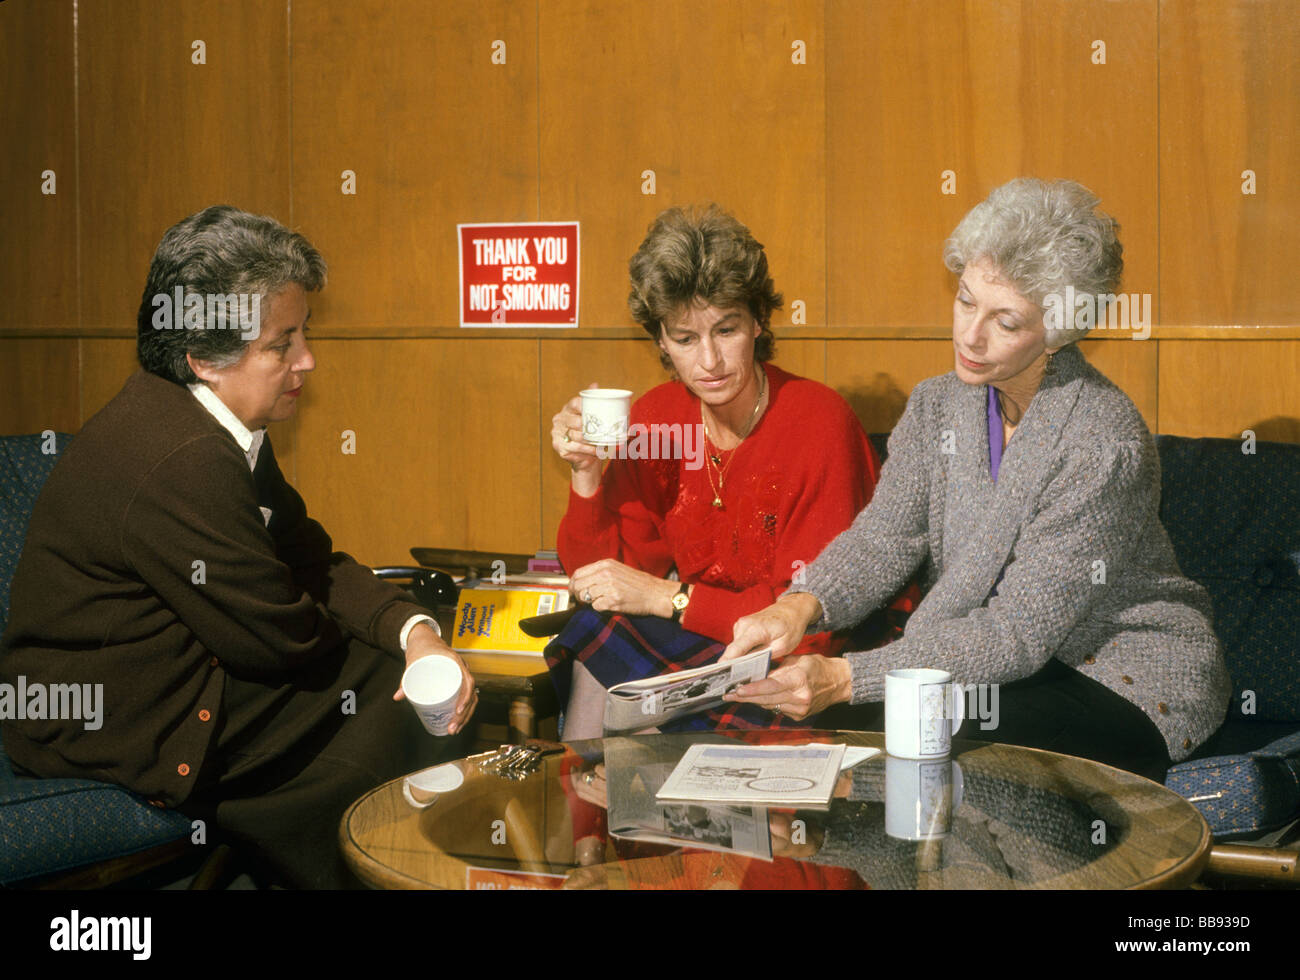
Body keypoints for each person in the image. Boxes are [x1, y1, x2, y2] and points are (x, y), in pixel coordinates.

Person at [0, 205, 477, 888]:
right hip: (108, 720)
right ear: (203, 358)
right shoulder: (182, 456)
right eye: (282, 344)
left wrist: (413, 632)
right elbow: (276, 640)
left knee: (391, 673)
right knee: (381, 692)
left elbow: (308, 559)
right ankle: (349, 868)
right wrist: (385, 645)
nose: (306, 360)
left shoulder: (216, 417)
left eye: (302, 332)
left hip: (172, 673)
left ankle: (310, 859)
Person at [722, 179, 1231, 781]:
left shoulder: (1103, 439)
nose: (970, 335)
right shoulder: (937, 404)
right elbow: (885, 537)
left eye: (1006, 321)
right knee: (868, 735)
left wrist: (846, 677)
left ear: (1060, 330)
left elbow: (1017, 632)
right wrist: (800, 605)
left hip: (1123, 677)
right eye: (966, 301)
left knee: (920, 737)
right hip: (1006, 662)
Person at [547, 205, 912, 738]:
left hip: (808, 658)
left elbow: (810, 619)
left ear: (757, 322)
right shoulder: (656, 417)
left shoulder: (820, 423)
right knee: (592, 632)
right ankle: (588, 822)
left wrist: (669, 599)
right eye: (686, 338)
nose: (710, 361)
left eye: (726, 329)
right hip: (708, 638)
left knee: (658, 709)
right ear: (661, 342)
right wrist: (585, 475)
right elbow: (601, 582)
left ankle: (642, 813)